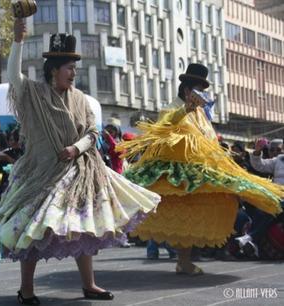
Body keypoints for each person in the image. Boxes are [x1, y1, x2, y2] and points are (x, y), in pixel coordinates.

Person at [0, 18, 160, 304]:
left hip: (79, 171)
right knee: (32, 230)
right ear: (53, 70)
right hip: (39, 176)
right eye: (69, 68)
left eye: (75, 68)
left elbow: (94, 132)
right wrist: (18, 41)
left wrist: (76, 148)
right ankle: (26, 289)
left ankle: (89, 283)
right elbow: (13, 77)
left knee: (85, 224)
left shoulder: (81, 98)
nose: (73, 73)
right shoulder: (33, 93)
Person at [119, 63, 283, 275]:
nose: (201, 95)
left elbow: (209, 140)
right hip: (172, 173)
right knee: (175, 213)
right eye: (197, 90)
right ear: (187, 90)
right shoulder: (172, 108)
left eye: (202, 91)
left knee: (196, 212)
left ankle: (184, 260)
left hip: (198, 172)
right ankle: (181, 258)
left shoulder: (200, 114)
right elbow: (163, 128)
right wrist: (184, 109)